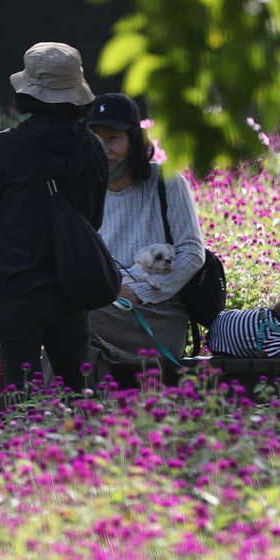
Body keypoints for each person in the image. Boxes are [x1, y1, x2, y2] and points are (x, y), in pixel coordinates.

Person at [0, 42, 108, 393]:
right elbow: (93, 219)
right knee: (83, 392)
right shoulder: (94, 148)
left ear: (28, 93)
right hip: (72, 289)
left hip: (15, 291)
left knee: (21, 397)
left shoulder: (7, 149)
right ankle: (101, 447)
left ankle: (26, 449)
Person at [84, 92, 206, 387]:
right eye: (95, 138)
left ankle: (58, 412)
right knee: (67, 319)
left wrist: (137, 291)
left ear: (134, 141)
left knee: (69, 318)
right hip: (100, 309)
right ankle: (77, 415)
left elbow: (191, 253)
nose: (104, 148)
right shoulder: (84, 189)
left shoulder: (166, 182)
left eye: (113, 138)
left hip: (157, 314)